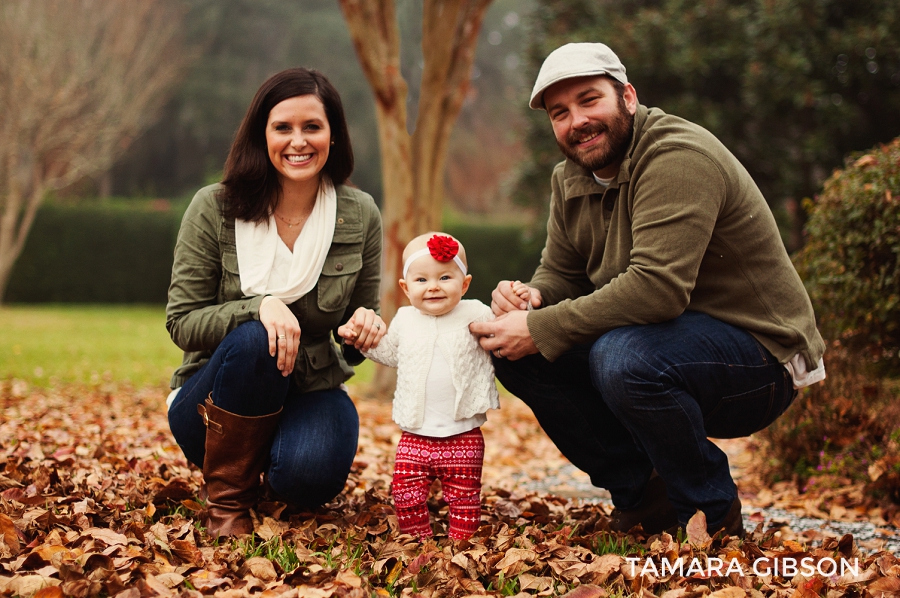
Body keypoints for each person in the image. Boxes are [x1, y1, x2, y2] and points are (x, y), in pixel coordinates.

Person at [469, 43, 826, 538]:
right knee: (517, 352)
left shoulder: (677, 156)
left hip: (762, 356)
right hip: (669, 341)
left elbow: (657, 290)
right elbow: (562, 274)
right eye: (560, 113)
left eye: (590, 100)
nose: (577, 121)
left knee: (623, 357)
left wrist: (541, 325)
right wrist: (532, 298)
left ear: (629, 98)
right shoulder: (570, 177)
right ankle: (644, 495)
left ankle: (711, 516)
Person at [165, 67, 385, 538]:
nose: (297, 141)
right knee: (254, 338)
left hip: (311, 389)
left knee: (306, 480)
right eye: (282, 127)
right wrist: (256, 306)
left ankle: (269, 463)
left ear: (333, 134)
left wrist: (364, 329)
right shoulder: (213, 207)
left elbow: (353, 336)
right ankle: (228, 502)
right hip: (213, 402)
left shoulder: (360, 213)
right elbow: (182, 322)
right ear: (261, 134)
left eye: (312, 127)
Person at [339, 233, 499, 540]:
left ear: (464, 284)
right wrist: (359, 340)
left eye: (444, 277)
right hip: (415, 434)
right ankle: (417, 542)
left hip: (463, 433)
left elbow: (502, 333)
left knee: (464, 498)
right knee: (406, 494)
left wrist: (519, 309)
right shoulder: (405, 319)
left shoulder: (475, 312)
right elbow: (389, 353)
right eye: (422, 279)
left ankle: (461, 546)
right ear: (406, 287)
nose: (433, 286)